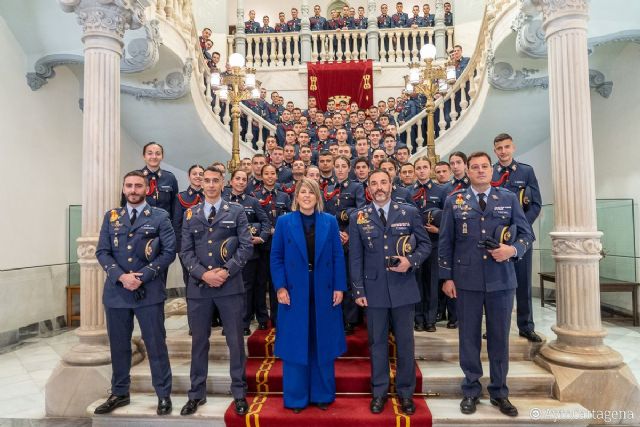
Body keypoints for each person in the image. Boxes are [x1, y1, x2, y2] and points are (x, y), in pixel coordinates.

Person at [439, 151, 534, 417]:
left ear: (490, 171)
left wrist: (511, 250)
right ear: (467, 171)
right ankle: (470, 389)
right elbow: (446, 242)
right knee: (468, 338)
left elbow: (527, 234)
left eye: (484, 167)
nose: (480, 171)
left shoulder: (508, 198)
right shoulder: (453, 200)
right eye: (475, 167)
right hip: (466, 281)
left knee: (499, 338)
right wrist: (446, 277)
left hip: (501, 280)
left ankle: (499, 392)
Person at [349, 169, 431, 415]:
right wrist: (358, 290)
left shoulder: (409, 212)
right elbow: (355, 257)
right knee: (377, 344)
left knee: (405, 343)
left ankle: (406, 394)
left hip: (403, 288)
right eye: (374, 183)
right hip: (373, 291)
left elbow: (425, 244)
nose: (379, 187)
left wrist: (411, 261)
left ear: (391, 184)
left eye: (383, 182)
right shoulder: (358, 217)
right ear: (368, 188)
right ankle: (379, 392)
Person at [95, 171, 175, 416]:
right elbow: (102, 252)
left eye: (138, 186)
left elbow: (169, 251)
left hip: (148, 292)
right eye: (128, 185)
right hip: (117, 293)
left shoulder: (160, 216)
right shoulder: (112, 217)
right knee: (119, 346)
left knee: (155, 344)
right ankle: (120, 392)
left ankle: (163, 394)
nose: (133, 190)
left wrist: (144, 276)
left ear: (147, 189)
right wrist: (121, 276)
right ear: (123, 188)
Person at [179, 166, 253, 416]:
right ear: (201, 184)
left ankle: (239, 392)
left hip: (229, 287)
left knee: (235, 341)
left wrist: (225, 271)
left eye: (215, 181)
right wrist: (203, 274)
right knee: (199, 342)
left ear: (223, 183)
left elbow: (245, 247)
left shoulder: (237, 211)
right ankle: (196, 393)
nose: (210, 185)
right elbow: (185, 251)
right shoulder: (190, 214)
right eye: (206, 181)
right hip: (199, 289)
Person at [270, 178, 347, 413]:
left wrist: (339, 287)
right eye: (302, 192)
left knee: (321, 341)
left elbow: (337, 256)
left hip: (323, 289)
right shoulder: (284, 222)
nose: (306, 196)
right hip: (294, 291)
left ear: (317, 196)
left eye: (311, 192)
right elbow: (276, 257)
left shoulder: (330, 222)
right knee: (296, 342)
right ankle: (296, 397)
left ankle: (323, 394)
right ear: (296, 196)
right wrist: (280, 287)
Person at [491, 133, 542, 342]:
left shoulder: (526, 171)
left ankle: (526, 325)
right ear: (495, 151)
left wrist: (519, 227)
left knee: (522, 282)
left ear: (513, 148)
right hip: (496, 237)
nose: (503, 151)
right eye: (499, 148)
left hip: (520, 237)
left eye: (507, 147)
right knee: (495, 284)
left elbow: (536, 205)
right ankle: (495, 326)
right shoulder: (490, 172)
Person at [223, 169, 271, 335]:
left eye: (244, 179)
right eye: (238, 178)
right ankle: (229, 322)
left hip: (249, 253)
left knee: (247, 288)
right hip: (227, 254)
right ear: (231, 181)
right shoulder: (222, 201)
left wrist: (262, 238)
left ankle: (244, 323)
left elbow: (265, 223)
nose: (241, 182)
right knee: (228, 289)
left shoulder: (253, 201)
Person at [409, 157, 447, 331]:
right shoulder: (408, 192)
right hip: (415, 244)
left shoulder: (440, 191)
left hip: (433, 243)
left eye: (425, 167)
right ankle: (418, 319)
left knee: (432, 283)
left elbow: (447, 218)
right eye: (418, 168)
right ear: (415, 170)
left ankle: (430, 319)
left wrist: (438, 230)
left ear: (430, 169)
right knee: (415, 282)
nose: (422, 170)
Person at [128, 142, 179, 225]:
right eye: (150, 153)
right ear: (144, 156)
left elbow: (174, 206)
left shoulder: (170, 178)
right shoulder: (134, 177)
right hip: (139, 226)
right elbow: (126, 204)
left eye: (158, 154)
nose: (154, 157)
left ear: (162, 156)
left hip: (164, 226)